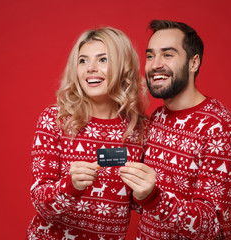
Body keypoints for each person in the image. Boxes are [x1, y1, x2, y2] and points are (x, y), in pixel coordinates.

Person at [120, 20, 231, 239]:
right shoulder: (158, 118)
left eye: (168, 55)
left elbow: (209, 226)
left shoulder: (222, 129)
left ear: (193, 62)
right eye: (150, 56)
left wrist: (152, 197)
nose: (155, 64)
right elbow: (146, 204)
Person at [26, 27, 147, 240]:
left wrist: (144, 193)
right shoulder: (57, 119)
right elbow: (40, 202)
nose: (90, 68)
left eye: (102, 60)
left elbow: (138, 204)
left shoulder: (139, 130)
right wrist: (69, 186)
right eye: (82, 61)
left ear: (123, 67)